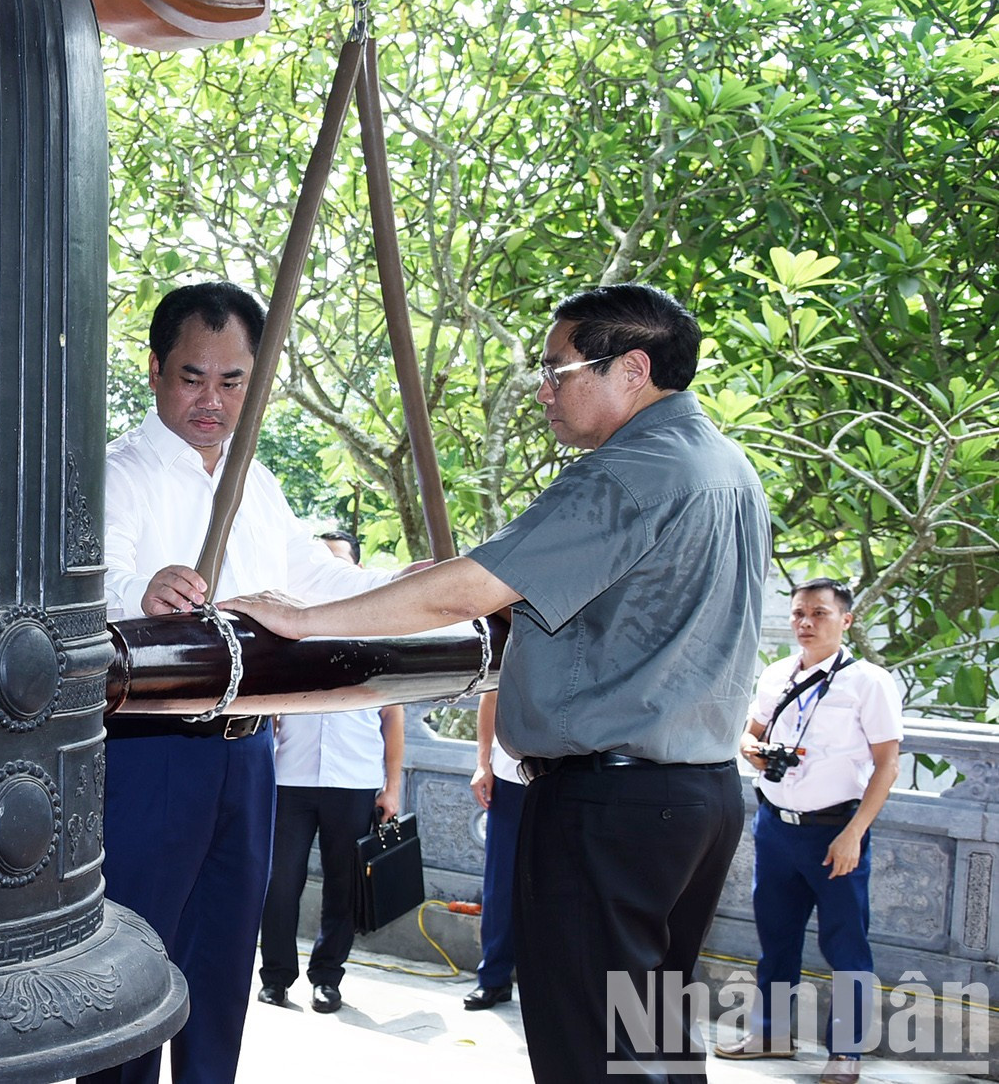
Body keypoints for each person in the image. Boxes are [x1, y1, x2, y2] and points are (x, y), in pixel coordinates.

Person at [225, 283, 771, 1084]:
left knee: (587, 1050)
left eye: (559, 369)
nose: (545, 389)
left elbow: (467, 591)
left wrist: (306, 618)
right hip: (698, 797)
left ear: (632, 368)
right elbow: (613, 614)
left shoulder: (627, 473)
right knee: (650, 1042)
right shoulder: (724, 465)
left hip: (610, 809)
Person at [82, 281, 391, 1084]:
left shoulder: (255, 483)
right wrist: (140, 595)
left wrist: (417, 585)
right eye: (192, 377)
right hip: (152, 754)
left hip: (251, 751)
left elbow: (313, 580)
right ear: (153, 370)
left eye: (232, 382)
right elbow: (87, 581)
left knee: (222, 971)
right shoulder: (115, 473)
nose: (212, 401)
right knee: (134, 966)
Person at [714, 578, 901, 1084]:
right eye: (799, 613)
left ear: (846, 620)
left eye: (819, 613)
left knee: (845, 945)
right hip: (776, 826)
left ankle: (846, 1053)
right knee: (776, 939)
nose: (806, 623)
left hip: (836, 831)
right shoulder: (776, 674)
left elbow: (887, 765)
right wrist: (750, 750)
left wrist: (855, 833)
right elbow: (750, 732)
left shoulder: (870, 682)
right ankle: (770, 1033)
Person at [256, 703, 403, 1013]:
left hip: (354, 778)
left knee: (344, 885)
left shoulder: (377, 651)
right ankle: (276, 977)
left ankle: (327, 977)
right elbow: (269, 708)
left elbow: (392, 713)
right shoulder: (289, 651)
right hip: (291, 774)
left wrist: (392, 787)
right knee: (279, 882)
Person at [465, 688, 523, 1011]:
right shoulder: (513, 637)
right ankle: (494, 979)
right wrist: (482, 763)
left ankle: (547, 985)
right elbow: (490, 697)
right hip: (509, 775)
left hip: (561, 777)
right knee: (500, 885)